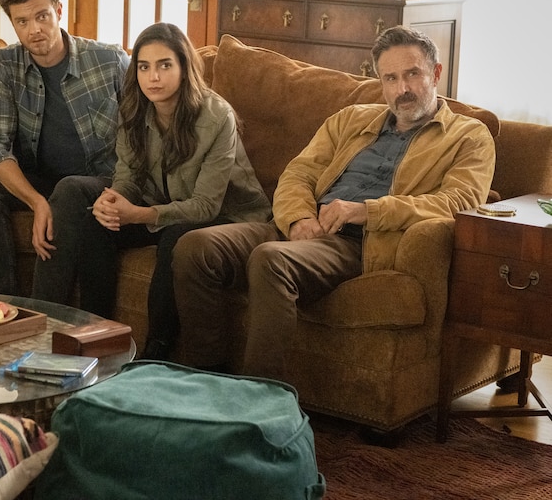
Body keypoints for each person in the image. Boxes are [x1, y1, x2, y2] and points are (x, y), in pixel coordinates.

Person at [172, 25, 496, 376]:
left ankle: (259, 403)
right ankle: (207, 377)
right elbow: (299, 173)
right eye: (390, 78)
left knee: (271, 260)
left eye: (412, 74)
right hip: (303, 227)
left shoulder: (469, 136)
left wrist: (366, 211)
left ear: (435, 73)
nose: (402, 89)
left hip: (360, 242)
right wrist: (298, 220)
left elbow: (459, 201)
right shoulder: (350, 119)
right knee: (195, 246)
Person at [32, 22, 271, 360]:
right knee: (97, 224)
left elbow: (205, 206)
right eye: (144, 66)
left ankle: (155, 352)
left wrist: (139, 214)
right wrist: (112, 200)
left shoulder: (217, 117)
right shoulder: (134, 108)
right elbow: (128, 176)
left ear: (184, 68)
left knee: (176, 238)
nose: (153, 77)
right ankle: (96, 335)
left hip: (228, 217)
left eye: (164, 65)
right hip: (168, 206)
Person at [0, 0, 129, 296]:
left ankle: (43, 317)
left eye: (42, 16)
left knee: (69, 189)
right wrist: (36, 202)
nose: (34, 30)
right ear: (12, 24)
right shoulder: (4, 65)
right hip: (41, 179)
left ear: (59, 11)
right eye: (22, 22)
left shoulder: (109, 61)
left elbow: (142, 134)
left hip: (96, 181)